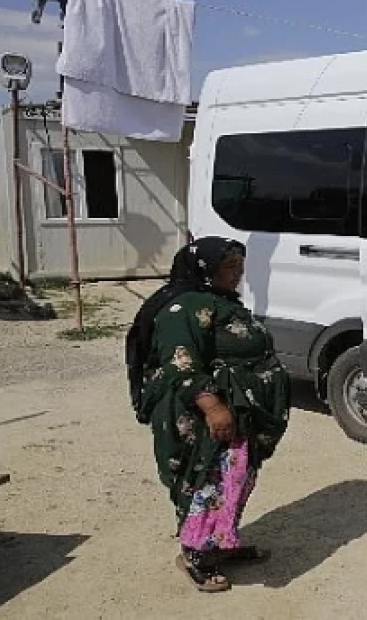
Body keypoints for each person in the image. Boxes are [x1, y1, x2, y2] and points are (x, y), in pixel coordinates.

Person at [124, 236, 292, 593]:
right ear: (205, 268)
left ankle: (218, 542)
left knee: (233, 479)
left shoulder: (216, 300)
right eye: (230, 266)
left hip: (236, 413)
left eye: (239, 266)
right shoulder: (181, 308)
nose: (238, 273)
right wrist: (214, 407)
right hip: (204, 416)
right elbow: (180, 362)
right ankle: (194, 555)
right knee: (206, 483)